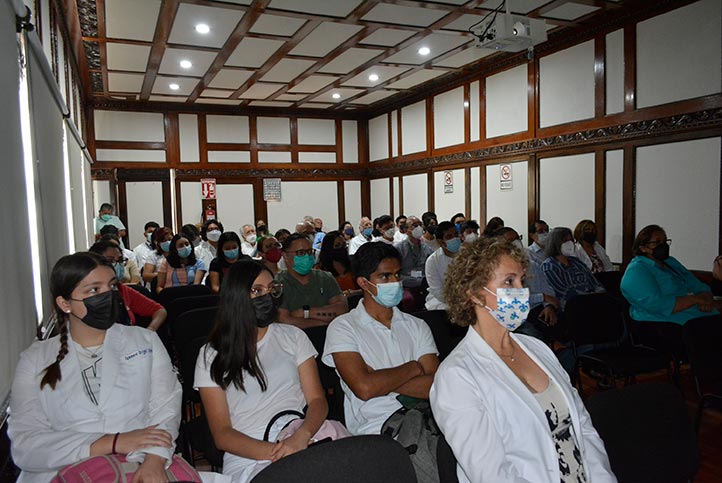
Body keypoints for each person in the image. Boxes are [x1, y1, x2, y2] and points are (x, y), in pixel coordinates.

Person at [430, 238, 616, 483]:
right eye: (509, 281)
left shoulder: (537, 349)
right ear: (474, 294)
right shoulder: (457, 375)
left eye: (521, 281)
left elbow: (582, 428)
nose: (522, 292)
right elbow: (491, 474)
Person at [8, 252, 181, 483]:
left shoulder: (145, 341)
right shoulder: (34, 360)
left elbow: (166, 411)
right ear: (65, 303)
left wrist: (154, 460)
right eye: (93, 290)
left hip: (137, 463)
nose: (107, 296)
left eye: (111, 287)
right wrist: (112, 442)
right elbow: (26, 445)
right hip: (60, 472)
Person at [195, 260, 328, 483]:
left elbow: (317, 400)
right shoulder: (211, 355)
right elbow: (223, 434)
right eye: (257, 291)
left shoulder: (293, 337)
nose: (267, 297)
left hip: (301, 436)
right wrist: (277, 452)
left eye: (272, 289)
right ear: (236, 297)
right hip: (249, 455)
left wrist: (301, 437)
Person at [323, 242, 439, 435]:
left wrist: (379, 379)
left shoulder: (416, 325)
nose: (394, 282)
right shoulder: (343, 327)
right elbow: (365, 388)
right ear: (363, 283)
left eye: (397, 274)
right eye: (385, 276)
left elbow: (436, 386)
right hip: (375, 430)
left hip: (424, 422)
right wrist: (414, 368)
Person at [621, 225, 721, 359]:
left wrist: (705, 298)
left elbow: (698, 286)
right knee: (707, 330)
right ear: (643, 248)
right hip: (658, 322)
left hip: (690, 311)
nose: (663, 246)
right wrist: (696, 300)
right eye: (656, 243)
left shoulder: (670, 262)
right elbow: (658, 304)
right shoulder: (637, 270)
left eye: (665, 241)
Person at [89, 241, 168, 330]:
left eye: (120, 260)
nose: (117, 265)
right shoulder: (87, 294)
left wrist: (149, 330)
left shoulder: (121, 290)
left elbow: (160, 310)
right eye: (111, 261)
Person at [276, 234, 348, 329]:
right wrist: (324, 322)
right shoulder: (278, 283)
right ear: (285, 256)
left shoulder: (325, 278)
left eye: (309, 252)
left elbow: (342, 309)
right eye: (301, 253)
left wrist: (306, 313)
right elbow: (284, 320)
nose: (307, 256)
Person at [542, 227, 604, 308]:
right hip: (572, 305)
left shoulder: (577, 262)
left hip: (591, 300)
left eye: (571, 240)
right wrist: (589, 296)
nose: (569, 244)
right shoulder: (549, 266)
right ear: (555, 244)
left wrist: (600, 293)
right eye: (565, 241)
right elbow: (563, 292)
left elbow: (594, 282)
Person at [425, 221, 462, 310]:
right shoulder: (432, 261)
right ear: (440, 241)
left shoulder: (467, 255)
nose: (454, 238)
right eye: (449, 237)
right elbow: (437, 291)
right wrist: (457, 302)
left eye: (456, 235)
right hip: (441, 301)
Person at [316, 231, 361, 297]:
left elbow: (365, 288)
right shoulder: (319, 270)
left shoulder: (353, 264)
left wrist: (352, 293)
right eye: (337, 245)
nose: (342, 248)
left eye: (344, 245)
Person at [395, 216, 433, 288]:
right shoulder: (399, 248)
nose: (418, 227)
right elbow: (396, 274)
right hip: (406, 285)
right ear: (406, 230)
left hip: (425, 284)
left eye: (420, 224)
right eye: (414, 225)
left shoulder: (428, 248)